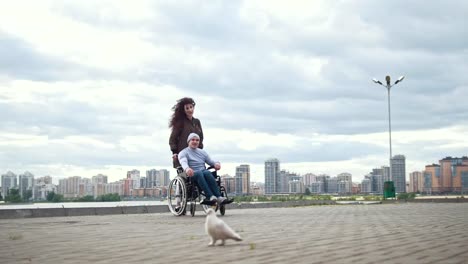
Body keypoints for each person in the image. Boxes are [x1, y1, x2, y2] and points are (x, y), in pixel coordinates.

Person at [178, 133, 227, 205]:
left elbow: (211, 161)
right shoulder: (183, 152)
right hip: (192, 173)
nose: (195, 142)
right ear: (188, 141)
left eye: (197, 140)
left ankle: (219, 197)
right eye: (193, 140)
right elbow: (183, 162)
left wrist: (216, 164)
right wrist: (187, 169)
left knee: (207, 172)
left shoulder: (202, 152)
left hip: (203, 172)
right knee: (200, 173)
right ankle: (210, 196)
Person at [169, 97, 204, 170]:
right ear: (184, 110)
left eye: (191, 107)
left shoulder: (197, 122)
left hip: (196, 154)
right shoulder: (180, 122)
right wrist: (174, 152)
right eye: (187, 108)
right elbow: (172, 139)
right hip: (183, 154)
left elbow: (201, 137)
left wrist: (200, 151)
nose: (190, 110)